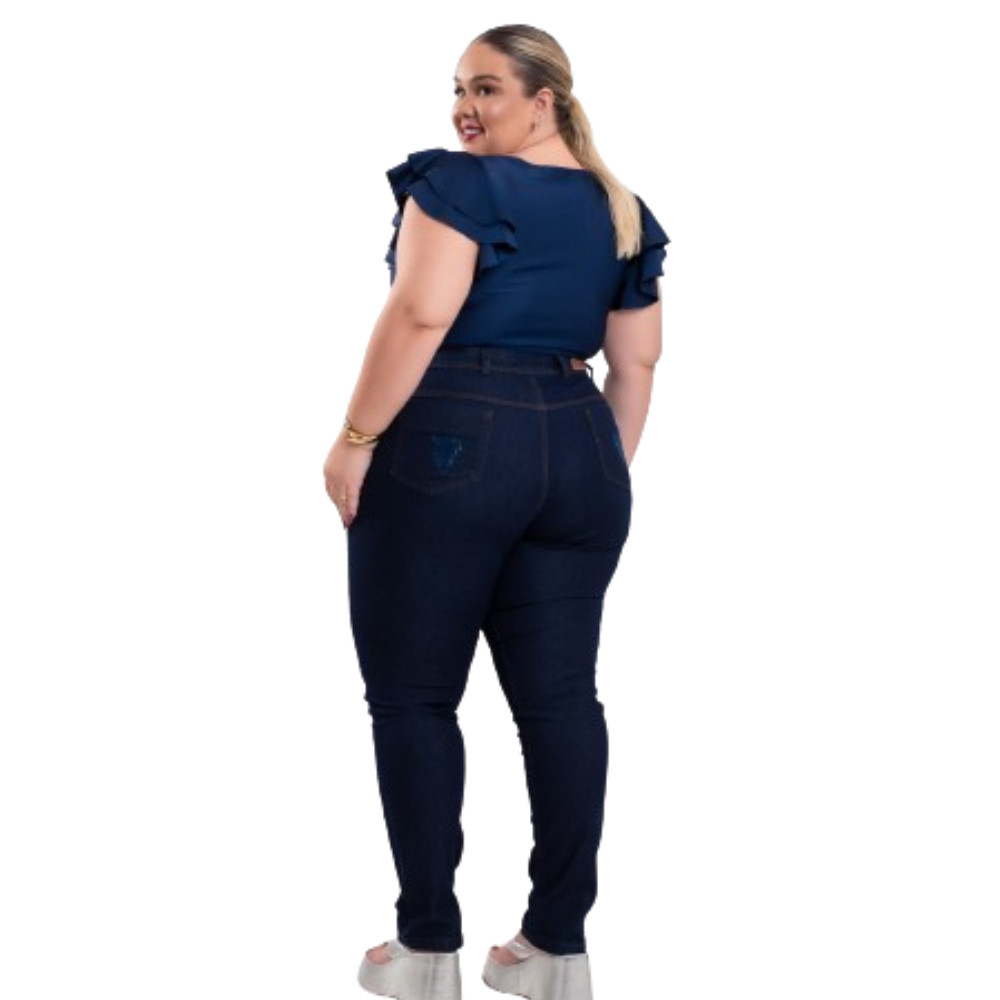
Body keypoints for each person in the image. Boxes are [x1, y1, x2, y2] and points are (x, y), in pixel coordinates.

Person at [322, 23, 669, 1000]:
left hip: (452, 431)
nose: (463, 108)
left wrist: (355, 439)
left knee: (413, 697)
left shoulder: (462, 185)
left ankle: (425, 948)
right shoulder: (621, 208)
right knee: (561, 699)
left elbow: (421, 313)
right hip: (580, 435)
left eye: (485, 88)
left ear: (541, 100)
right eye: (458, 88)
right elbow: (636, 364)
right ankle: (554, 948)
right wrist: (586, 471)